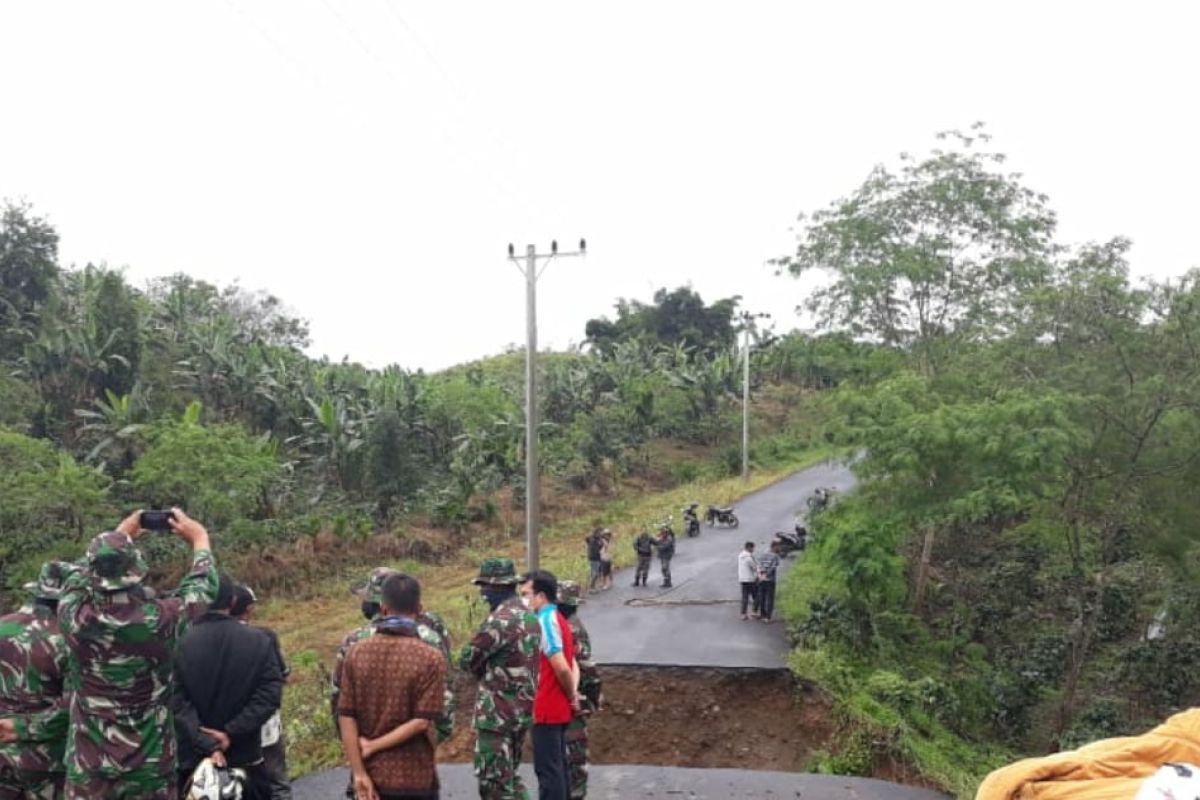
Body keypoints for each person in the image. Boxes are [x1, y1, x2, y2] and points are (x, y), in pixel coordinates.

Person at [57, 508, 218, 799]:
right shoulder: (161, 619)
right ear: (136, 571)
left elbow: (76, 578)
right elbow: (203, 588)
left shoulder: (74, 617)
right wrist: (200, 539)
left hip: (89, 765)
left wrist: (118, 537)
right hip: (150, 764)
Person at [173, 574, 284, 798]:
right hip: (246, 757)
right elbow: (270, 695)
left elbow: (175, 700)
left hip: (195, 763)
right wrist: (231, 731)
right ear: (232, 602)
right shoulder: (259, 640)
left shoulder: (180, 645)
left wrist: (204, 741)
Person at [338, 573, 447, 800]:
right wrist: (373, 745)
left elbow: (345, 714)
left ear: (383, 608)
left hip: (370, 774)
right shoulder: (430, 656)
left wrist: (358, 772)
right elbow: (422, 722)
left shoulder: (355, 652)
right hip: (414, 777)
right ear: (419, 609)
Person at [333, 569, 455, 746]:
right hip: (417, 739)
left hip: (366, 740)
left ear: (379, 603)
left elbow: (338, 697)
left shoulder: (353, 641)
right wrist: (440, 733)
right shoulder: (430, 637)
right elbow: (445, 691)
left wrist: (350, 740)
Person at [458, 558, 541, 800]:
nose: (482, 592)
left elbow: (468, 657)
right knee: (510, 778)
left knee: (493, 782)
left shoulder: (500, 620)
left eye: (484, 586)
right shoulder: (529, 617)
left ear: (496, 587)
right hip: (522, 711)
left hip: (497, 715)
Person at [0, 561, 71, 800]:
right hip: (46, 762)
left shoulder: (2, 626)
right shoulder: (69, 639)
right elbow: (73, 706)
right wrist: (22, 728)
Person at [229, 584, 292, 800]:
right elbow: (283, 675)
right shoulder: (264, 636)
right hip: (266, 725)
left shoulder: (213, 641)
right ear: (249, 609)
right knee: (278, 782)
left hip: (229, 729)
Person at [520, 571, 578, 800]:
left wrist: (571, 694)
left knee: (548, 772)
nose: (524, 600)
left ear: (541, 596)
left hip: (547, 708)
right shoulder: (559, 618)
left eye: (526, 594)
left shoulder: (544, 621)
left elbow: (562, 666)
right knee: (558, 767)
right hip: (556, 706)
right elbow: (572, 663)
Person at [555, 582, 600, 800]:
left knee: (568, 759)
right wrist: (593, 699)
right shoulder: (573, 626)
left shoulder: (565, 628)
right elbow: (589, 671)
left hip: (566, 702)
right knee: (574, 760)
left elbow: (585, 667)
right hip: (574, 701)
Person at [755, 542, 782, 623]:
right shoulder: (775, 556)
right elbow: (773, 567)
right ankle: (768, 617)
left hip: (761, 579)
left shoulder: (763, 553)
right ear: (774, 547)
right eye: (778, 547)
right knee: (770, 598)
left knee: (762, 597)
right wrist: (766, 575)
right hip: (770, 580)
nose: (779, 549)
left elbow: (758, 565)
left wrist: (760, 575)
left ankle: (762, 614)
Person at [737, 542, 759, 621]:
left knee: (745, 597)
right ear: (749, 547)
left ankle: (743, 614)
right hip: (750, 580)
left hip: (742, 579)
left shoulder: (740, 556)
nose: (753, 550)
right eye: (753, 548)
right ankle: (754, 612)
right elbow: (754, 567)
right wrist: (758, 575)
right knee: (756, 596)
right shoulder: (749, 557)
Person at [653, 524, 675, 588]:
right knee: (663, 569)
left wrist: (658, 545)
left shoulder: (669, 538)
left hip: (667, 555)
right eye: (661, 532)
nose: (662, 533)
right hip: (662, 555)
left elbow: (665, 546)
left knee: (665, 568)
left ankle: (668, 582)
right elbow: (656, 542)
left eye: (663, 532)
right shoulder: (661, 537)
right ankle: (666, 582)